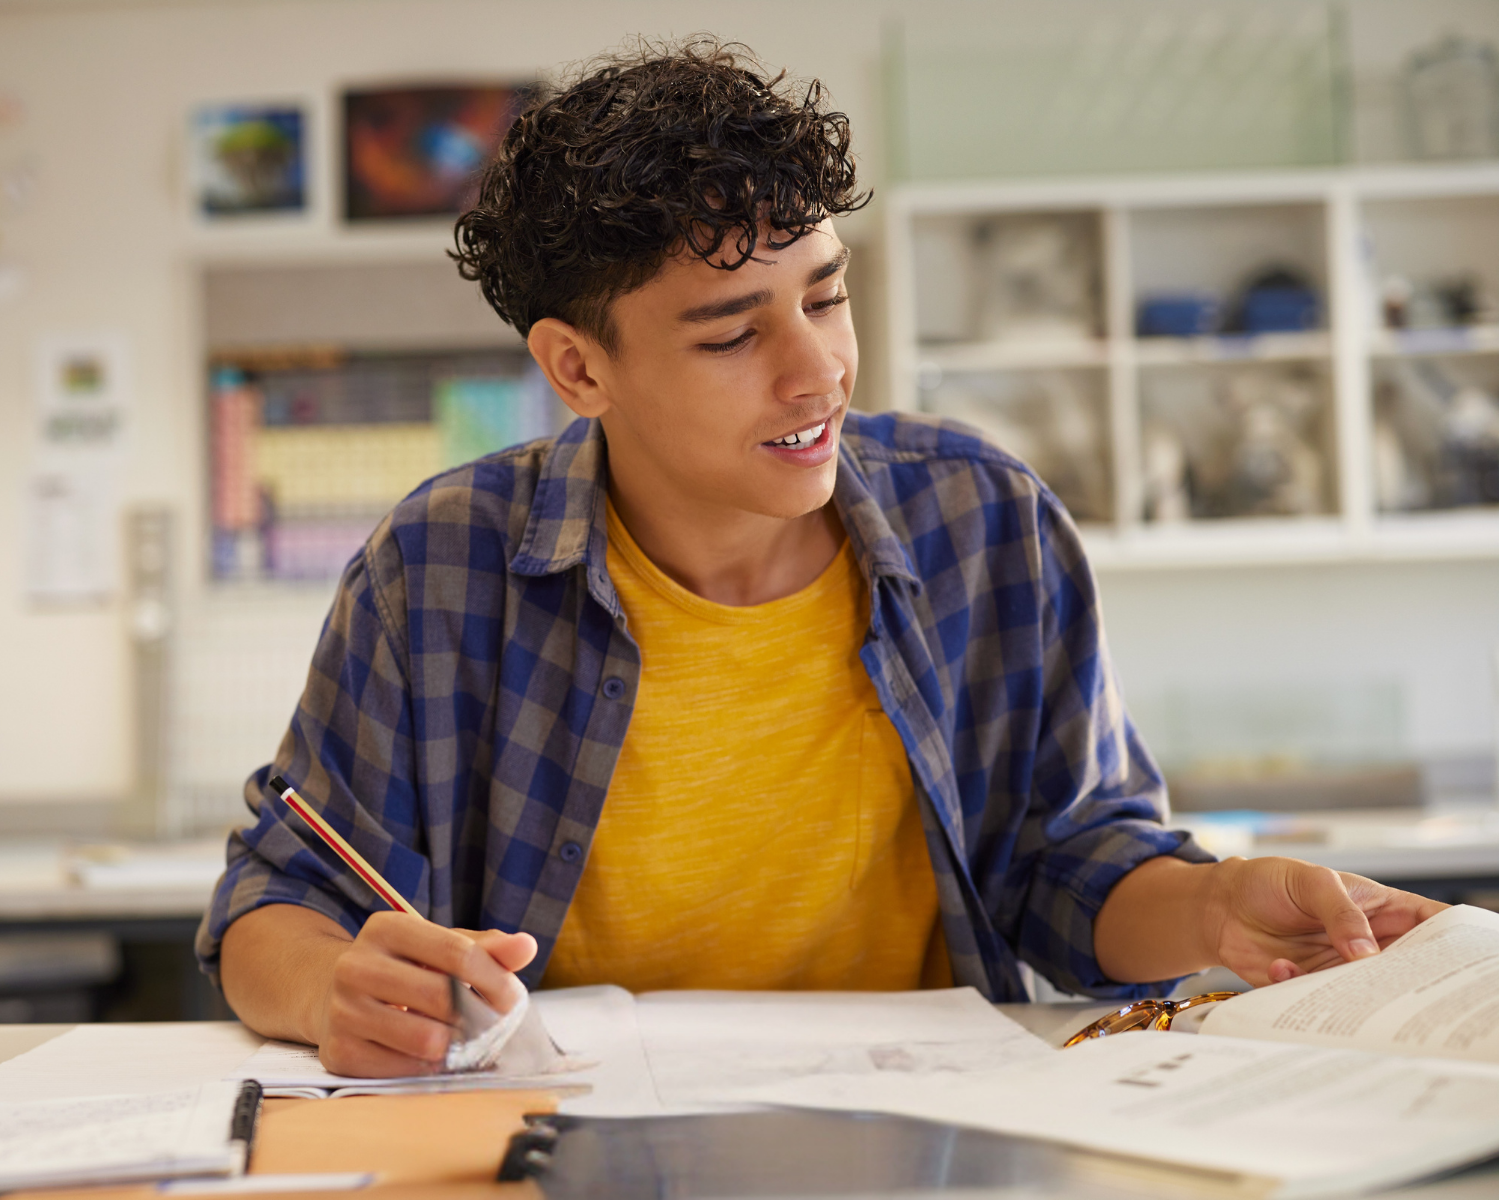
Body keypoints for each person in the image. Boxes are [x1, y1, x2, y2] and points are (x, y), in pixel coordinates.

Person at [198, 40, 1445, 1078]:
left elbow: (1070, 868)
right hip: (562, 1135)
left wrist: (1216, 906)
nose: (819, 372)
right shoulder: (441, 569)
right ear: (579, 368)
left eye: (828, 296)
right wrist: (327, 987)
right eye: (734, 333)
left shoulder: (986, 522)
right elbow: (279, 892)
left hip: (929, 1131)